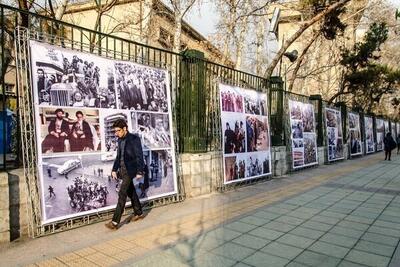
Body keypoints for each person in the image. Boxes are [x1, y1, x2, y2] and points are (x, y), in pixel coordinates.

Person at [105, 119, 145, 230]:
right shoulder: (119, 140)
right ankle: (139, 212)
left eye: (118, 131)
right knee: (131, 191)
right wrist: (114, 169)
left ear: (125, 129)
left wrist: (140, 171)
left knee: (122, 193)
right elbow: (118, 157)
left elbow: (139, 156)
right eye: (115, 131)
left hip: (130, 170)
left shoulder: (134, 139)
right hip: (122, 170)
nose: (116, 133)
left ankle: (115, 222)